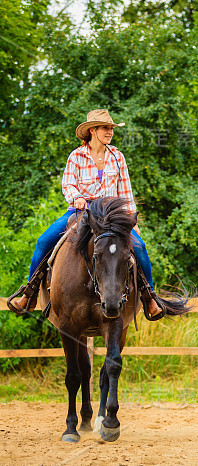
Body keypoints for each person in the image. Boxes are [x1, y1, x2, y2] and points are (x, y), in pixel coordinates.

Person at [7, 109, 164, 320]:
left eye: (111, 128)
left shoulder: (117, 156)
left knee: (140, 247)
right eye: (105, 128)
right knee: (44, 241)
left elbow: (126, 192)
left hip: (110, 215)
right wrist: (76, 197)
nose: (110, 132)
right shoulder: (76, 156)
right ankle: (29, 293)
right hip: (81, 211)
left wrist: (131, 219)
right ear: (92, 130)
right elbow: (68, 184)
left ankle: (150, 298)